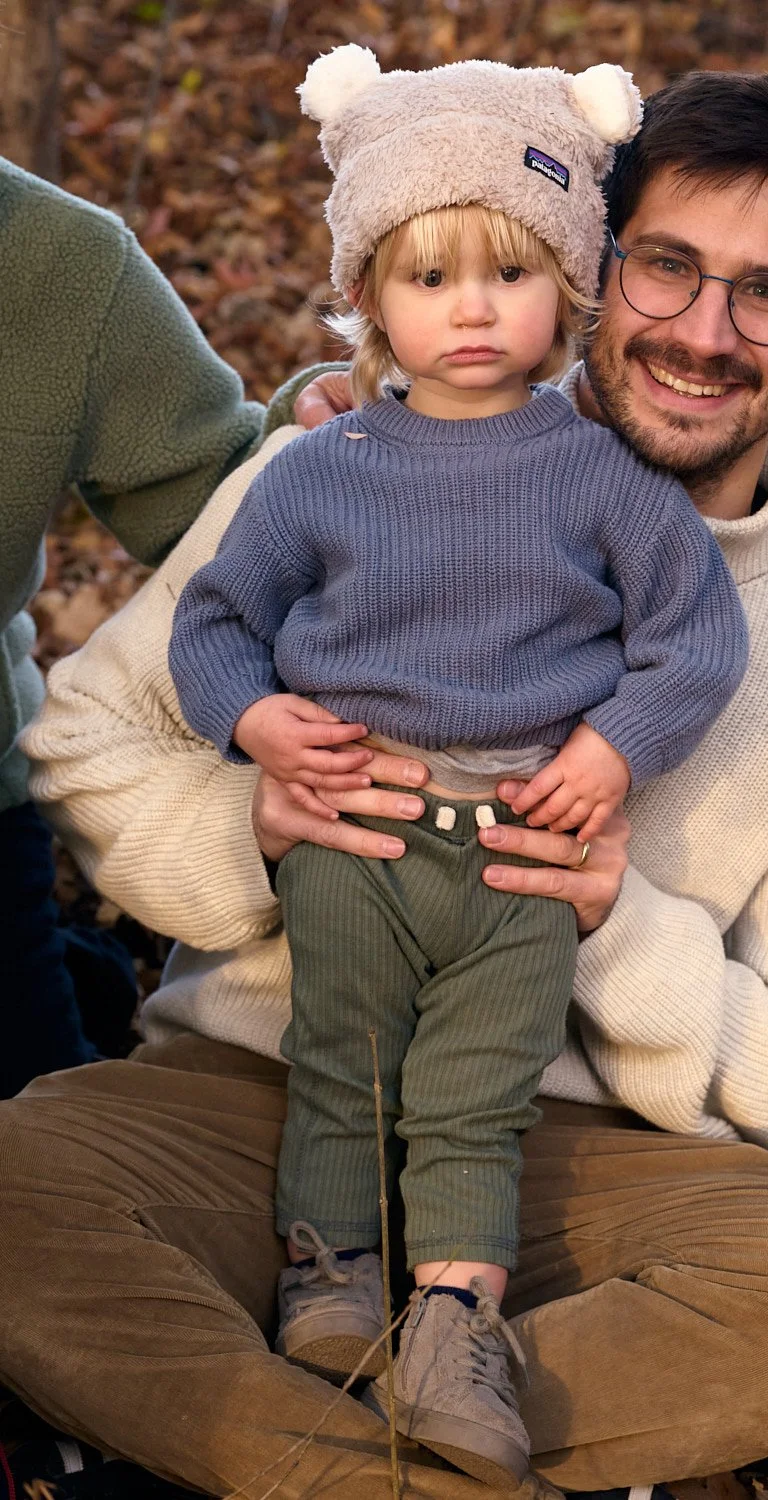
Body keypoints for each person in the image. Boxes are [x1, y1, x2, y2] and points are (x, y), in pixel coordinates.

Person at [6, 69, 768, 1500]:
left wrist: (615, 920)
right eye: (667, 266)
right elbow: (87, 737)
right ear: (591, 262)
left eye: (766, 295)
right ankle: (416, 1448)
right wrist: (257, 826)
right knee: (14, 1186)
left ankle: (237, 1448)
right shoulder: (341, 464)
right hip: (263, 1086)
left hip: (588, 1174)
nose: (703, 334)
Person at [166, 50, 747, 1490]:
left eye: (510, 272)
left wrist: (614, 746)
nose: (472, 308)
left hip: (517, 850)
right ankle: (330, 1278)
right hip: (358, 825)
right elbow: (217, 622)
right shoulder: (322, 470)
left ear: (571, 287)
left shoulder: (604, 477)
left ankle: (452, 1328)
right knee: (344, 1062)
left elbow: (697, 639)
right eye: (429, 277)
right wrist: (257, 725)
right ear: (370, 297)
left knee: (479, 1095)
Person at [0, 158, 320, 1097]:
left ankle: (80, 977)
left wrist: (329, 431)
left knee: (36, 1152)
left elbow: (214, 504)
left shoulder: (60, 261)